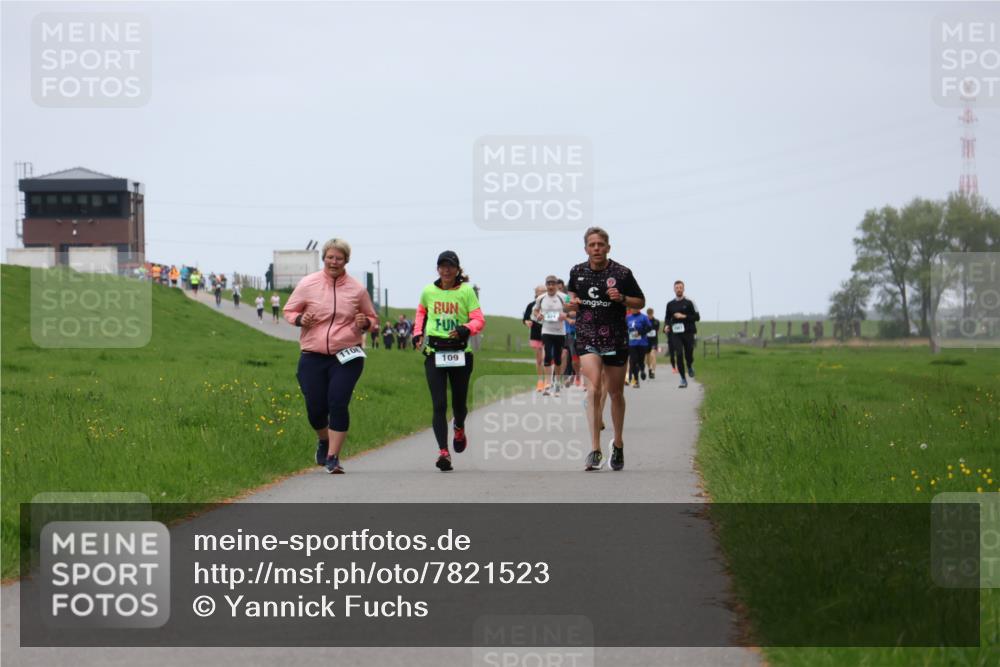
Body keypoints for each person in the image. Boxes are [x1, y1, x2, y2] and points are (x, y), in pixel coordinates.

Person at [284, 238, 378, 474]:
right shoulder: (308, 284)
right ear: (324, 258)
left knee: (338, 402)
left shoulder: (357, 289)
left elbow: (372, 319)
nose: (334, 262)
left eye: (339, 258)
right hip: (313, 355)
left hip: (347, 355)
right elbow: (289, 310)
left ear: (346, 261)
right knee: (315, 408)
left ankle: (333, 457)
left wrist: (365, 322)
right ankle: (324, 440)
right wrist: (300, 319)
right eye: (330, 257)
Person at [566, 227, 645, 472]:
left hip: (615, 338)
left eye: (600, 244)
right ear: (586, 249)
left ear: (608, 247)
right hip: (587, 336)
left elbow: (640, 301)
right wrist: (572, 303)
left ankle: (618, 444)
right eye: (592, 245)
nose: (596, 248)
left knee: (616, 393)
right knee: (593, 389)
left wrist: (622, 298)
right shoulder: (577, 271)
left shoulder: (622, 273)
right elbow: (570, 301)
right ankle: (595, 449)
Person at [412, 250, 485, 472]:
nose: (446, 270)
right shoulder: (428, 291)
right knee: (439, 404)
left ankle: (459, 426)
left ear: (457, 269)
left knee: (459, 405)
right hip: (435, 352)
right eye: (442, 266)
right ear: (438, 269)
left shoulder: (466, 291)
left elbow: (479, 319)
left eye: (450, 266)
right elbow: (421, 313)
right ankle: (443, 452)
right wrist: (417, 333)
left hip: (460, 352)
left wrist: (466, 328)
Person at [533, 275, 568, 396]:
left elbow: (573, 309)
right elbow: (535, 310)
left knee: (557, 359)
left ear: (557, 285)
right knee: (547, 356)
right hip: (546, 331)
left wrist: (566, 315)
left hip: (560, 332)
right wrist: (538, 315)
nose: (551, 286)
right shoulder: (541, 298)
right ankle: (548, 384)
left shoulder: (564, 297)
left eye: (553, 284)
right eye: (549, 284)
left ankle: (557, 383)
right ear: (546, 285)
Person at [665, 280, 700, 389]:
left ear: (683, 289)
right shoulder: (670, 304)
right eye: (677, 288)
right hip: (675, 333)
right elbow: (667, 318)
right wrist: (666, 326)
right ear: (674, 289)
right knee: (679, 354)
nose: (679, 289)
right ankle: (683, 379)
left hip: (688, 332)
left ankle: (689, 365)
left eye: (680, 287)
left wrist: (683, 316)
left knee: (689, 353)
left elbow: (697, 317)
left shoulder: (690, 302)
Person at [522, 286, 546, 392]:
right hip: (535, 334)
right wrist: (527, 322)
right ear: (536, 293)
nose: (541, 293)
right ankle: (540, 381)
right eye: (539, 292)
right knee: (539, 360)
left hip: (548, 333)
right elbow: (525, 319)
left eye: (544, 291)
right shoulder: (531, 305)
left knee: (546, 358)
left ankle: (548, 381)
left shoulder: (549, 305)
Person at [626, 307, 653, 388]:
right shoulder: (628, 318)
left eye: (635, 307)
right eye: (632, 308)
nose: (633, 309)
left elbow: (649, 328)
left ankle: (642, 370)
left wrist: (640, 333)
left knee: (641, 361)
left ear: (638, 308)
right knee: (634, 361)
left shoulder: (644, 317)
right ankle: (636, 381)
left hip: (642, 343)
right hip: (632, 344)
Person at [645, 307, 660, 379]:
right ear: (647, 314)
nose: (650, 315)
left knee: (652, 354)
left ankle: (653, 371)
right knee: (648, 357)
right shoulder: (645, 321)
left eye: (651, 314)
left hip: (654, 341)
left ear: (653, 313)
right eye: (648, 314)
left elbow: (657, 331)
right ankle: (649, 369)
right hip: (646, 341)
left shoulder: (656, 321)